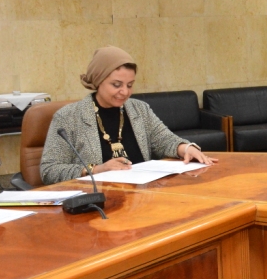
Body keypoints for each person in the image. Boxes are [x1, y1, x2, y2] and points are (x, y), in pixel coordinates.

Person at [40, 46, 216, 184]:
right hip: (97, 202)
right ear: (98, 81)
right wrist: (96, 170)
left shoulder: (139, 109)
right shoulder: (69, 117)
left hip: (143, 198)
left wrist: (186, 148)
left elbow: (164, 139)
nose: (125, 92)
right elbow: (49, 171)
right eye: (116, 85)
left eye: (130, 85)